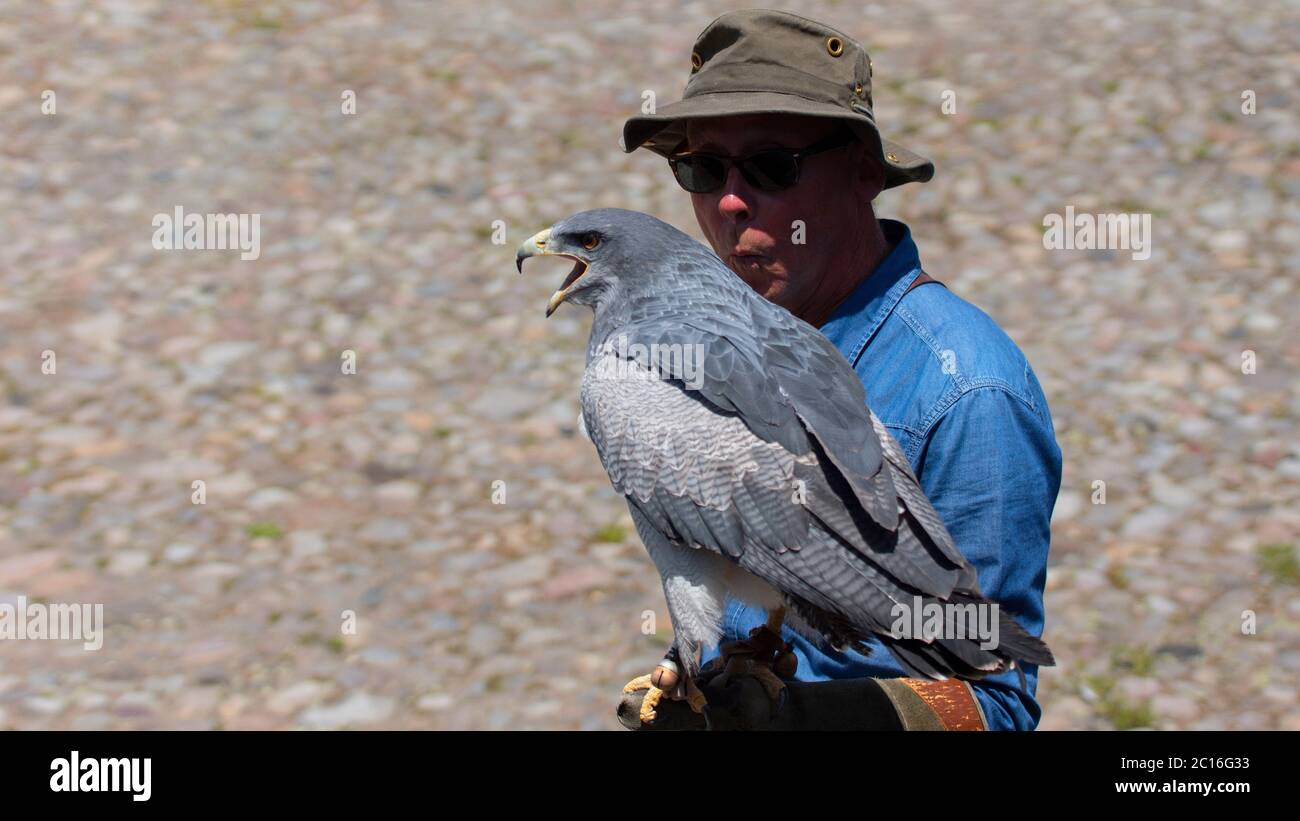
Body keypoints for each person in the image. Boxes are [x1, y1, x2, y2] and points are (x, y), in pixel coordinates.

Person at [620, 9, 1062, 730]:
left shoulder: (968, 393)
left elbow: (996, 701)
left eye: (771, 166)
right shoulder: (725, 345)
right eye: (700, 168)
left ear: (863, 172)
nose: (729, 200)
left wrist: (802, 718)